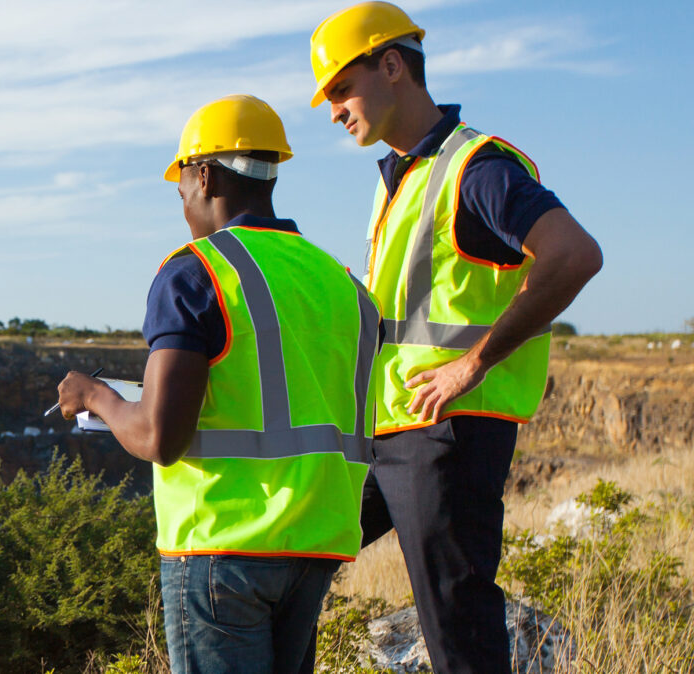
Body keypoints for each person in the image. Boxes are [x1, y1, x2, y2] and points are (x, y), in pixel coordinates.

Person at [308, 3, 603, 672]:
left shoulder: (476, 167)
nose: (332, 110)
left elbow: (575, 255)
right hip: (390, 433)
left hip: (447, 436)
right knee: (296, 555)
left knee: (459, 634)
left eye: (340, 89)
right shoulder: (402, 179)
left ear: (392, 66)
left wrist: (472, 364)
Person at [56, 94, 381, 674]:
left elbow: (159, 436)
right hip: (314, 546)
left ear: (203, 175)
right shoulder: (341, 283)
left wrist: (96, 397)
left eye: (180, 187)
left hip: (222, 549)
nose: (182, 202)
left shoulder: (195, 271)